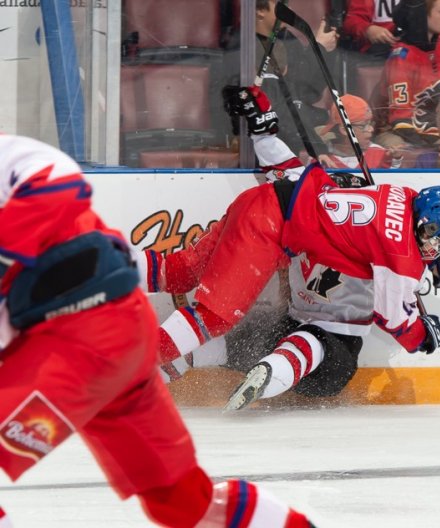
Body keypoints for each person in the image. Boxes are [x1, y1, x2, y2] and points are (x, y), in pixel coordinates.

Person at [0, 135, 316, 528]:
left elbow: (59, 185)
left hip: (89, 345)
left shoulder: (16, 158)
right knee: (185, 503)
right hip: (99, 351)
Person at [153, 85, 440, 407]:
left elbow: (287, 170)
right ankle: (274, 369)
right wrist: (422, 336)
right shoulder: (399, 251)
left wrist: (262, 131)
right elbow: (394, 310)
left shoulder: (335, 191)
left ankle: (177, 363)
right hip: (340, 312)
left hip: (300, 291)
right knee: (337, 363)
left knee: (246, 336)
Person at [223, 0, 339, 158]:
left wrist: (322, 50)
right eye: (280, 4)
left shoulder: (286, 39)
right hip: (261, 141)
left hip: (288, 133)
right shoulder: (240, 46)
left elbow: (308, 92)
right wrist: (318, 49)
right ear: (260, 10)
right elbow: (281, 97)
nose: (288, 10)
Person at [376, 0, 440, 148]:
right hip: (398, 133)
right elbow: (401, 123)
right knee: (406, 151)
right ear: (421, 16)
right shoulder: (401, 57)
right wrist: (436, 146)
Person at [343, 0, 440, 57]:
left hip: (430, 45)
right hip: (384, 49)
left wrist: (431, 37)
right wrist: (368, 30)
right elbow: (352, 20)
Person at [318, 94, 404, 168]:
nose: (371, 129)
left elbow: (391, 182)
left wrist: (396, 160)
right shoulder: (322, 157)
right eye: (364, 126)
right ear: (344, 130)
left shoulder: (378, 154)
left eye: (371, 123)